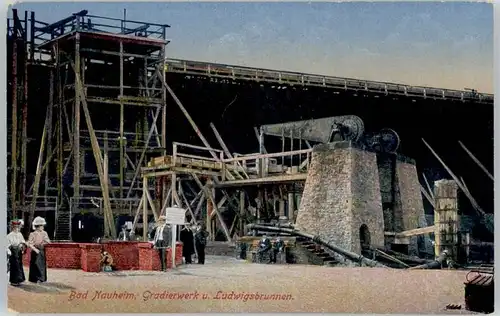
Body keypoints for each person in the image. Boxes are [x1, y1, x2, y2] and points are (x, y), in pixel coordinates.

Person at [27, 216, 50, 283]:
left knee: (42, 265)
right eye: (42, 226)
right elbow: (29, 243)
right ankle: (34, 279)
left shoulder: (44, 233)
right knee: (35, 264)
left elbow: (48, 241)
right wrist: (35, 249)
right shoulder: (32, 234)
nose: (43, 227)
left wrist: (44, 242)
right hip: (35, 251)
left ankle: (41, 278)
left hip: (42, 250)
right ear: (38, 226)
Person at [7, 219, 26, 286]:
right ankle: (14, 281)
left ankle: (19, 279)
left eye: (18, 227)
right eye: (15, 227)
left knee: (19, 265)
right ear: (13, 227)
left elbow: (23, 242)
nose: (17, 228)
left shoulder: (20, 234)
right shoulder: (9, 235)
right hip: (13, 252)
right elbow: (7, 245)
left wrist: (22, 247)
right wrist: (9, 252)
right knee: (14, 266)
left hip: (19, 252)